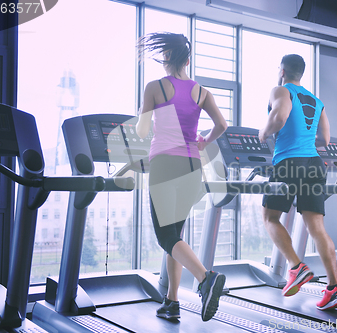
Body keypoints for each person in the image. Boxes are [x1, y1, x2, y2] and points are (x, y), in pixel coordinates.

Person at [136, 32, 228, 321]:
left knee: (166, 236)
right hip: (191, 167)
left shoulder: (154, 87)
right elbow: (221, 125)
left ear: (165, 58)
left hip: (164, 164)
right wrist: (203, 141)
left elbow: (141, 131)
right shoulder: (201, 92)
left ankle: (205, 278)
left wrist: (148, 121)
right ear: (187, 60)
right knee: (175, 236)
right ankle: (171, 302)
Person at [259, 54, 337, 311]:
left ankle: (296, 267)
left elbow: (280, 117)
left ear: (283, 70)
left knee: (270, 217)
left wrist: (264, 132)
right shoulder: (316, 100)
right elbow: (325, 138)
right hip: (314, 164)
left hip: (289, 162)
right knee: (316, 226)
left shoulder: (281, 90)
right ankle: (334, 287)